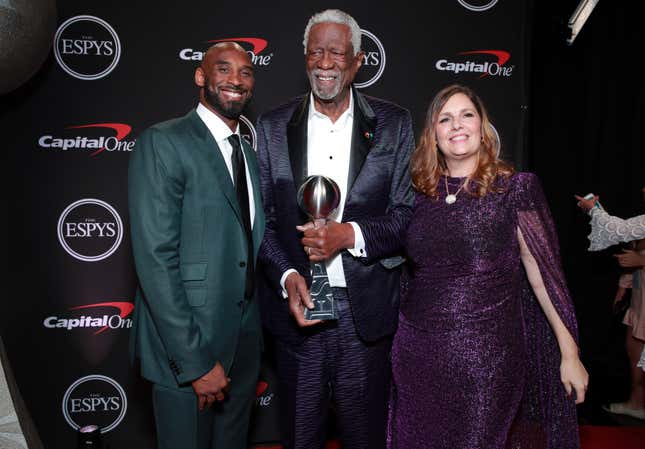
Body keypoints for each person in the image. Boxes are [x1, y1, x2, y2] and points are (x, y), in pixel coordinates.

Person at [388, 84, 588, 449]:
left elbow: (543, 277)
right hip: (417, 355)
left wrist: (569, 353)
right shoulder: (416, 195)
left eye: (467, 115)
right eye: (444, 119)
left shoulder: (514, 190)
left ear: (483, 128)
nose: (457, 125)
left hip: (487, 362)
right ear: (433, 134)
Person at [256, 9, 414, 449]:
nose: (325, 63)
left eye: (336, 53)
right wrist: (288, 278)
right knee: (300, 437)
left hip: (363, 315)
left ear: (357, 61)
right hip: (299, 314)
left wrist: (350, 235)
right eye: (316, 52)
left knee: (364, 438)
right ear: (305, 57)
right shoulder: (272, 126)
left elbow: (405, 216)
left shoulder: (393, 124)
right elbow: (263, 223)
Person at [128, 42, 265, 449]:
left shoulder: (247, 153)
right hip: (188, 352)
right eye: (223, 70)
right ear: (201, 76)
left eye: (246, 72)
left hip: (243, 344)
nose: (236, 81)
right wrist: (195, 363)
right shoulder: (164, 142)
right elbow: (156, 259)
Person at [576, 190, 645, 419]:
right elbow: (623, 232)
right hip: (641, 298)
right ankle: (637, 403)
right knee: (633, 349)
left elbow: (621, 232)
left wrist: (594, 211)